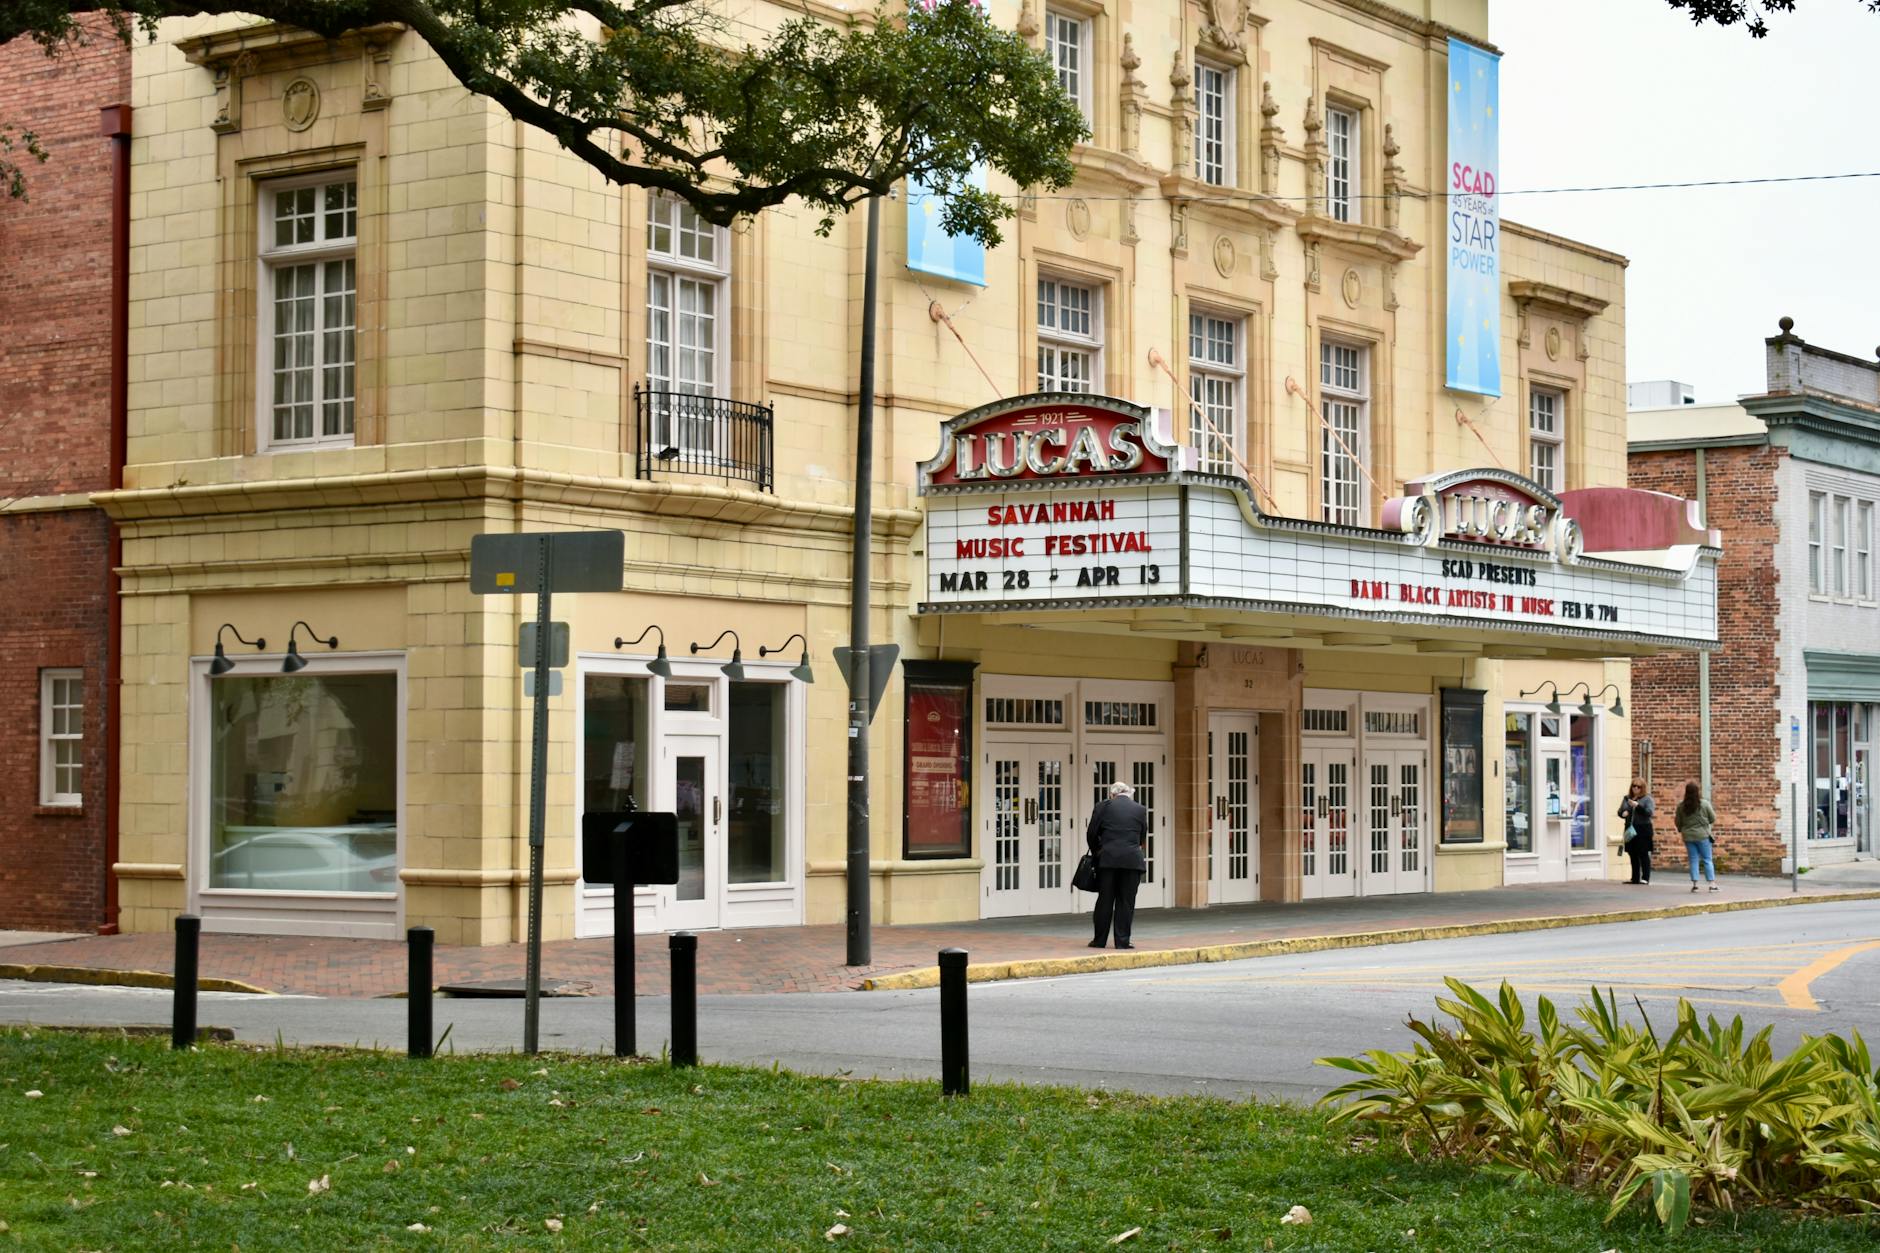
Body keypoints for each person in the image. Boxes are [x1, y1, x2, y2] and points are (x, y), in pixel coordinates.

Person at [1086, 780, 1149, 949]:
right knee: (1126, 901)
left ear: (1112, 794)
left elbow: (1091, 833)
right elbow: (1143, 835)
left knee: (1105, 900)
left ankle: (1099, 940)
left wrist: (1097, 851)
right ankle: (1122, 941)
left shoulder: (1102, 806)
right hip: (1132, 860)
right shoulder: (1140, 809)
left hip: (1107, 860)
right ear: (1128, 793)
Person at [1674, 780, 1718, 892]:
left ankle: (1695, 885)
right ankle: (1712, 884)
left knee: (1693, 860)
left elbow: (1678, 821)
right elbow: (1712, 818)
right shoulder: (1704, 804)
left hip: (1688, 836)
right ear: (1697, 792)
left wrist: (1682, 830)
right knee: (1707, 859)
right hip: (1702, 835)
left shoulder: (1681, 806)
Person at [1617, 779, 1655, 884]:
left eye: (1638, 787)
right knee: (1632, 853)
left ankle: (1645, 878)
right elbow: (1620, 811)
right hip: (1630, 828)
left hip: (1643, 829)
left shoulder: (1647, 799)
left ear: (1642, 788)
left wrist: (1637, 806)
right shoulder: (1627, 798)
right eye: (1634, 786)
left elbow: (1649, 813)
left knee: (1643, 853)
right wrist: (1622, 813)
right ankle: (1635, 878)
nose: (1635, 788)